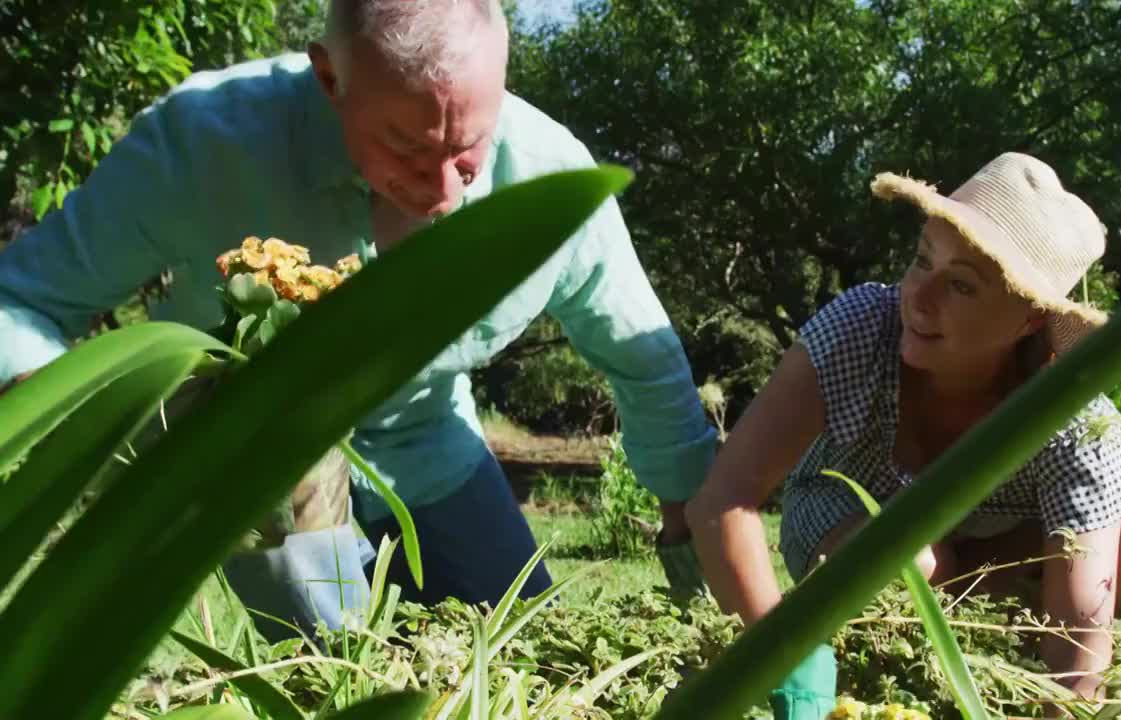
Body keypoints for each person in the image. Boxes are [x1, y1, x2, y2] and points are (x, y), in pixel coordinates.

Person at [0, 0, 713, 641]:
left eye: (467, 153)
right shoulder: (201, 144)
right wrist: (111, 438)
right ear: (329, 78)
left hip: (427, 441)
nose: (442, 195)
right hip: (251, 454)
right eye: (408, 148)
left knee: (526, 654)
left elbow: (645, 364)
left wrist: (691, 534)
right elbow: (20, 303)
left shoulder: (552, 177)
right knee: (342, 677)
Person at [684, 152, 1121, 717]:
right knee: (914, 564)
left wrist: (1063, 704)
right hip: (842, 516)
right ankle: (891, 645)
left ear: (1029, 318)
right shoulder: (860, 329)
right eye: (922, 261)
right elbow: (724, 497)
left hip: (997, 549)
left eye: (962, 287)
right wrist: (779, 657)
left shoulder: (1070, 418)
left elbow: (1080, 644)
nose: (919, 299)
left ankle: (994, 641)